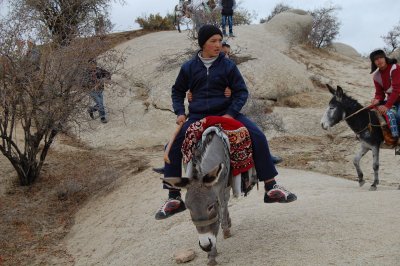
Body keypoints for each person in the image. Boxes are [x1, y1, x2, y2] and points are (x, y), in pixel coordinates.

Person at [155, 25, 296, 220]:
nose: (218, 45)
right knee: (170, 148)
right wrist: (180, 111)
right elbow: (177, 91)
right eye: (213, 41)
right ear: (202, 43)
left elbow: (241, 92)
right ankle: (173, 197)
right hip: (198, 116)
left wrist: (231, 113)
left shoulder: (228, 66)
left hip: (226, 112)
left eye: (220, 41)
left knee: (257, 135)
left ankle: (271, 186)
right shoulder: (188, 67)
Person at [369, 49, 400, 138]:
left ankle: (398, 141)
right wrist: (376, 99)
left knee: (398, 116)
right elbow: (380, 94)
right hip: (393, 101)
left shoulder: (395, 68)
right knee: (373, 111)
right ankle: (390, 137)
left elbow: (397, 90)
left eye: (381, 57)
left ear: (385, 58)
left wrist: (387, 106)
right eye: (376, 59)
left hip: (394, 99)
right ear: (374, 62)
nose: (379, 60)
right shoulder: (376, 76)